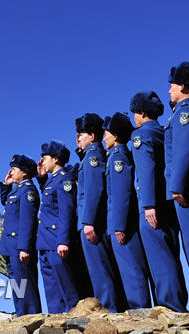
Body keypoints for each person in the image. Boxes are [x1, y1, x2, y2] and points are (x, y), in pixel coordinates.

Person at [130, 91, 188, 312]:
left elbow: (146, 170)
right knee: (172, 256)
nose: (134, 117)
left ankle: (169, 307)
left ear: (142, 112)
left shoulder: (142, 134)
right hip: (168, 203)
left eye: (135, 112)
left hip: (153, 205)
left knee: (160, 259)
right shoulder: (162, 131)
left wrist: (148, 205)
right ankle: (177, 304)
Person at [75, 113, 126, 312]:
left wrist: (88, 221)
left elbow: (94, 191)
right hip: (89, 223)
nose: (78, 138)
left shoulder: (93, 157)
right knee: (98, 272)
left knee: (102, 272)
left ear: (92, 137)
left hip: (93, 224)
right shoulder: (88, 156)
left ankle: (110, 311)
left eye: (82, 134)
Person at [102, 112, 152, 309]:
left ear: (115, 136)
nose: (103, 137)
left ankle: (140, 309)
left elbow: (122, 194)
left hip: (122, 225)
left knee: (132, 268)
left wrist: (119, 225)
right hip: (117, 223)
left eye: (106, 134)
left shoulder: (119, 158)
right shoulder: (115, 156)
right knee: (126, 269)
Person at [165, 61, 189, 309]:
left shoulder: (186, 112)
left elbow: (184, 152)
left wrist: (177, 186)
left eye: (172, 86)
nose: (169, 91)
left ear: (182, 86)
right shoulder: (182, 113)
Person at [36, 141, 80, 313]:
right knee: (52, 291)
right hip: (45, 243)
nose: (42, 162)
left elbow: (66, 212)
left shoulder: (64, 179)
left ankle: (75, 322)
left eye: (45, 158)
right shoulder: (51, 181)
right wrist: (41, 176)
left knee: (67, 288)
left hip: (56, 241)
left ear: (55, 159)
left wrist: (63, 241)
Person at [0, 154, 42, 316]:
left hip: (19, 246)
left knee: (25, 284)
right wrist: (6, 184)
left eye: (14, 169)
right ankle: (21, 316)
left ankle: (31, 318)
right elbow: (6, 201)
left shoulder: (28, 191)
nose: (11, 172)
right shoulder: (17, 191)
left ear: (24, 173)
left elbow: (27, 221)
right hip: (10, 247)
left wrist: (24, 247)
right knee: (17, 285)